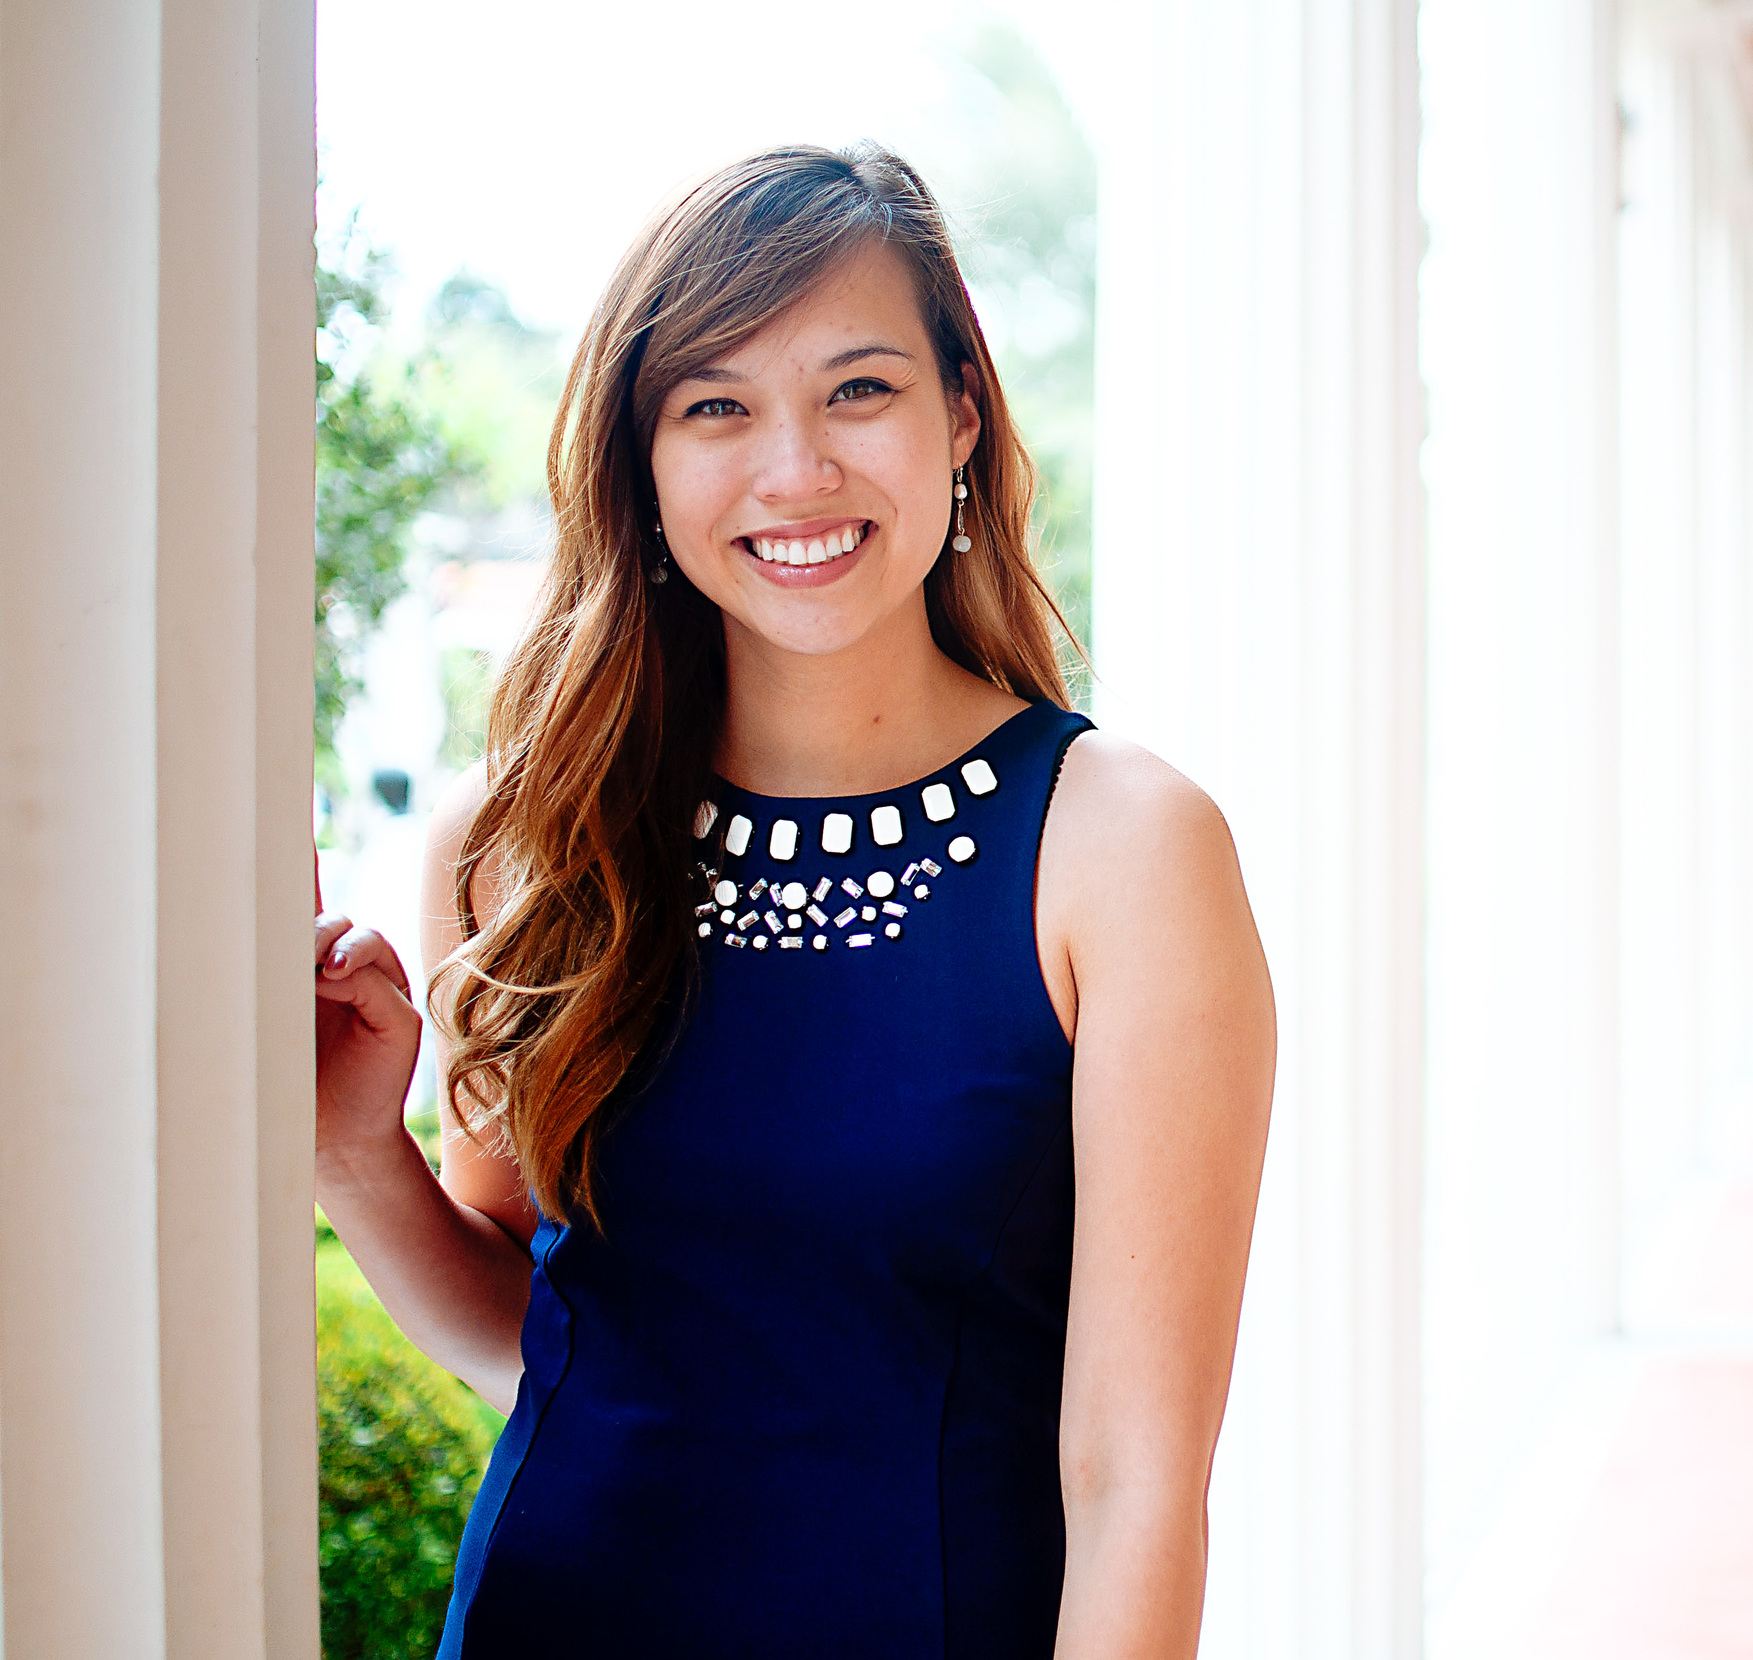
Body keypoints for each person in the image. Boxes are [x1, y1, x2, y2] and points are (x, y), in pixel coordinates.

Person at [312, 143, 1275, 1659]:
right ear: (642, 459)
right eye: (716, 406)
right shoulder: (516, 845)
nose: (796, 469)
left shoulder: (1122, 849)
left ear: (962, 413)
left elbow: (1136, 1482)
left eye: (860, 390)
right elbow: (544, 1351)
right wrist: (355, 1156)